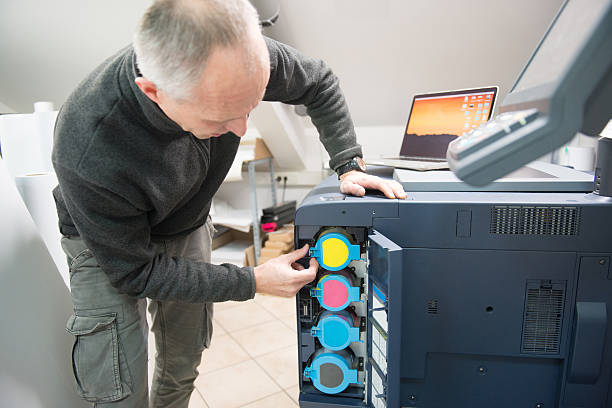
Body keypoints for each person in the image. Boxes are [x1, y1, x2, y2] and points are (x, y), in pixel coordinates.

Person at [52, 0, 406, 406]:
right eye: (221, 118)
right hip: (107, 246)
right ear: (154, 92)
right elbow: (135, 272)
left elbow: (319, 82)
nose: (240, 129)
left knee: (183, 361)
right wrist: (252, 281)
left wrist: (348, 163)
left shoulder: (239, 57)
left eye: (250, 108)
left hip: (183, 221)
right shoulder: (87, 145)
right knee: (120, 387)